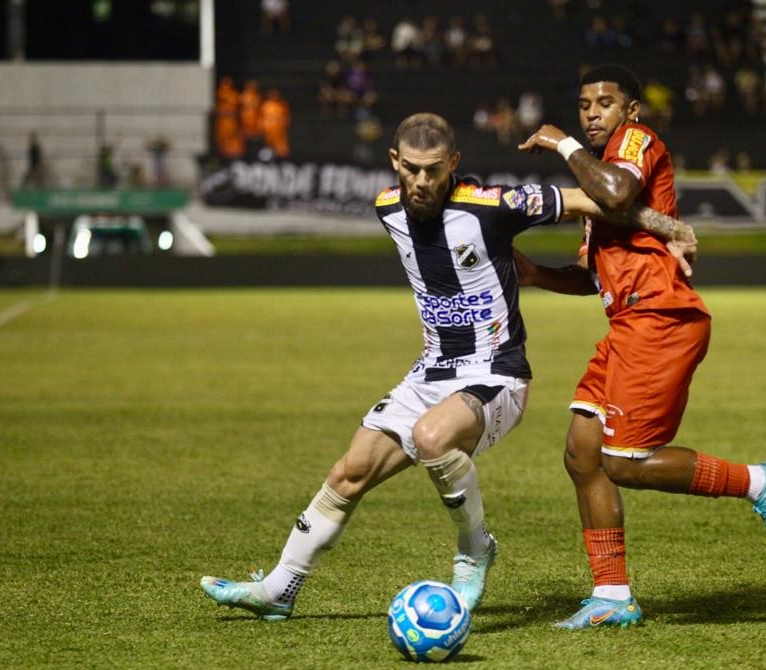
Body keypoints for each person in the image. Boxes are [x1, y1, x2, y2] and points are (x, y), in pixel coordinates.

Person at [199, 112, 698, 621]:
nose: (421, 182)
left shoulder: (495, 205)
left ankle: (475, 548)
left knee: (433, 437)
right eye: (412, 169)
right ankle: (281, 588)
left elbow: (593, 200)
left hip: (498, 375)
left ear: (453, 164)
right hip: (430, 373)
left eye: (434, 170)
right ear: (395, 162)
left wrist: (671, 229)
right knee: (349, 472)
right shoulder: (386, 208)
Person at [517, 64, 766, 629]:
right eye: (583, 105)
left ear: (631, 111)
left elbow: (618, 189)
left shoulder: (635, 145)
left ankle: (759, 482)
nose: (593, 112)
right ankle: (612, 595)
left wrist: (560, 141)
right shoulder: (602, 186)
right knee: (583, 452)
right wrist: (531, 274)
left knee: (622, 462)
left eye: (605, 103)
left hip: (661, 318)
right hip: (628, 324)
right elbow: (587, 273)